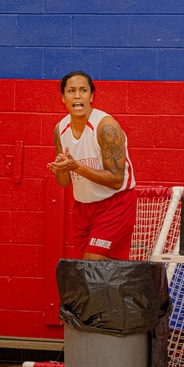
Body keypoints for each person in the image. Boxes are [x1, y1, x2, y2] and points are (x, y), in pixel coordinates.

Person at [48, 70, 137, 260]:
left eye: (83, 90)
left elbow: (116, 180)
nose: (78, 95)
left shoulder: (105, 127)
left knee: (92, 265)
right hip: (83, 208)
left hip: (115, 203)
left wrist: (76, 167)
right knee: (86, 273)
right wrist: (61, 169)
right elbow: (64, 182)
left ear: (92, 96)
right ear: (63, 97)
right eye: (71, 91)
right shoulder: (60, 129)